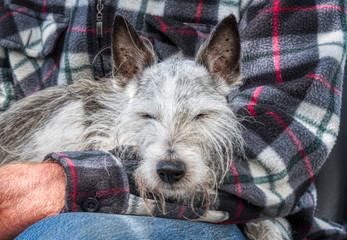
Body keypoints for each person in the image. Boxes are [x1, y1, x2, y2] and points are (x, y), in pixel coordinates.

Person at [0, 0, 346, 239]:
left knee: (69, 235)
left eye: (201, 116)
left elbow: (280, 158)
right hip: (20, 185)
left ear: (224, 65)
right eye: (148, 115)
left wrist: (65, 182)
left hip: (234, 213)